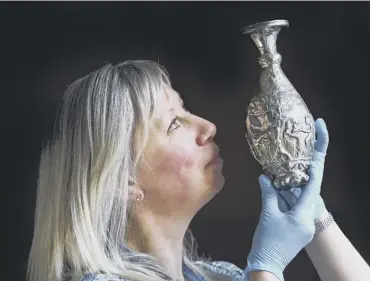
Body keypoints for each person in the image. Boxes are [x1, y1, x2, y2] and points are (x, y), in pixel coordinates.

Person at [27, 61, 369, 281]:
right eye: (174, 123)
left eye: (185, 108)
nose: (207, 126)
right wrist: (266, 269)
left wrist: (316, 217)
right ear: (122, 180)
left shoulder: (218, 277)